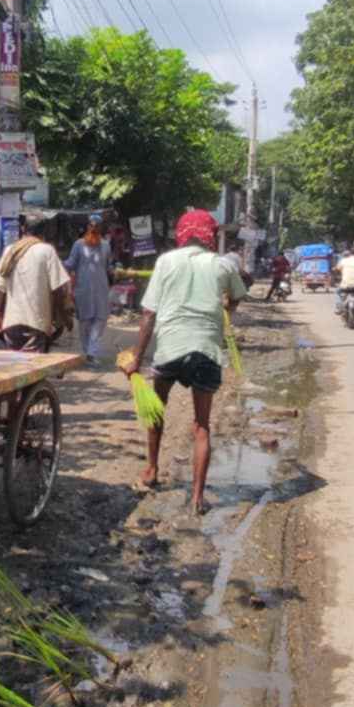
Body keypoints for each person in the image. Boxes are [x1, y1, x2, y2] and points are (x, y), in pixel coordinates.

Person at [120, 209, 247, 515]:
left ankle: (151, 470)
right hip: (205, 351)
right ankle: (197, 499)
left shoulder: (166, 261)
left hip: (171, 349)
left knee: (156, 413)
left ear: (182, 233)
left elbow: (148, 313)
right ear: (209, 235)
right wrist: (226, 309)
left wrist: (136, 357)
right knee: (201, 427)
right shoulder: (222, 264)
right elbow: (237, 296)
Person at [0, 213, 71, 351]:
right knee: (31, 364)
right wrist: (62, 316)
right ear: (44, 231)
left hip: (11, 323)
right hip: (37, 323)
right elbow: (58, 289)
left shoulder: (10, 250)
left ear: (23, 228)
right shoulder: (47, 251)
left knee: (14, 363)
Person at [64, 213, 114, 361]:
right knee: (84, 322)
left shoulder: (105, 245)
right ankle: (88, 351)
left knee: (100, 320)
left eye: (97, 226)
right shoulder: (78, 245)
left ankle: (92, 352)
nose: (94, 228)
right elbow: (70, 264)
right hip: (83, 290)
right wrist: (57, 263)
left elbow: (109, 267)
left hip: (101, 290)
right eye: (91, 225)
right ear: (88, 227)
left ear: (100, 228)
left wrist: (116, 270)